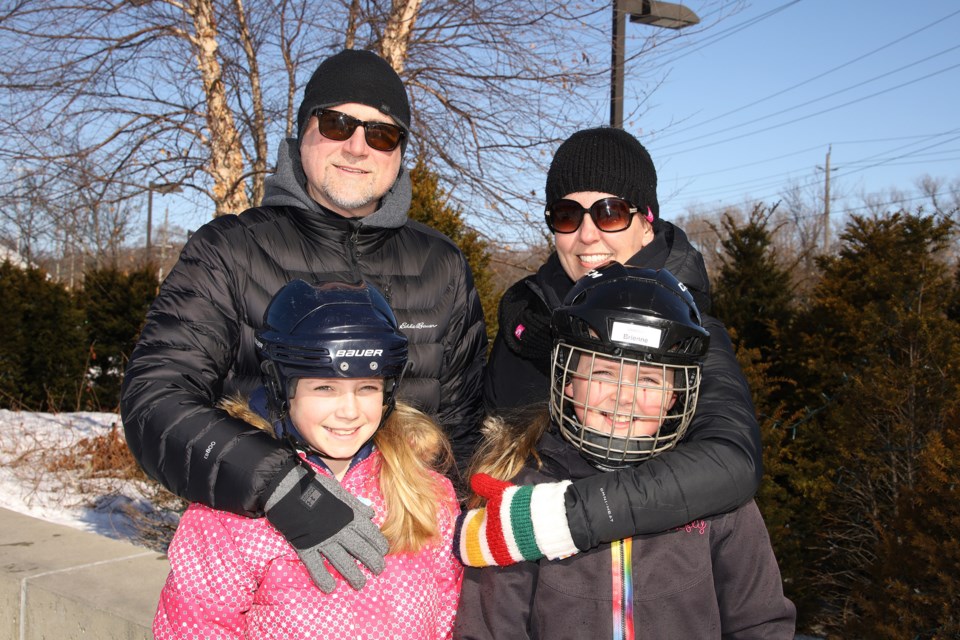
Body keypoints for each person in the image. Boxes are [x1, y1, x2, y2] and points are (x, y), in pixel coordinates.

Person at [121, 49, 486, 590]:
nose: (358, 147)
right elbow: (156, 400)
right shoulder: (232, 250)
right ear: (302, 132)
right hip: (261, 567)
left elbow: (463, 430)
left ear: (400, 153)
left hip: (405, 576)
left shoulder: (442, 266)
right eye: (338, 123)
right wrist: (283, 488)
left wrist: (436, 558)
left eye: (383, 134)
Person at [462, 126, 762, 563]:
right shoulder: (527, 322)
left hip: (657, 578)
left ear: (646, 224)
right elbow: (485, 445)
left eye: (610, 213)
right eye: (567, 215)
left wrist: (566, 519)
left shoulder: (688, 333)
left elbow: (731, 461)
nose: (587, 235)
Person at [454, 264, 795, 638]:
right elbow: (490, 630)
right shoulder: (521, 492)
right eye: (602, 373)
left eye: (648, 379)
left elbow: (759, 623)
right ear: (567, 382)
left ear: (675, 398)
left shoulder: (716, 500)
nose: (624, 396)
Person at [154, 279, 462, 639]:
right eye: (324, 388)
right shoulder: (230, 514)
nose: (350, 411)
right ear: (283, 389)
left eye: (367, 388)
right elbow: (198, 626)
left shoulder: (424, 491)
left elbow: (448, 607)